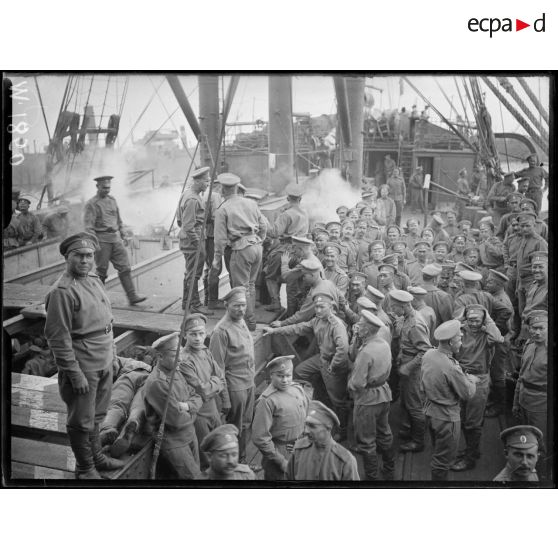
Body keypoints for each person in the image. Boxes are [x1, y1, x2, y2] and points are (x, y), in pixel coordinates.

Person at [44, 232, 123, 479]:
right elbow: (58, 338)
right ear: (67, 257)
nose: (85, 260)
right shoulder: (62, 292)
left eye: (89, 255)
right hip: (84, 364)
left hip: (103, 358)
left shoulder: (93, 279)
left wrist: (112, 351)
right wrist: (74, 374)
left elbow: (105, 318)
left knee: (97, 414)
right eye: (79, 255)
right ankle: (85, 467)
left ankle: (97, 457)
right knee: (81, 419)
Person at [263, 291, 350, 440]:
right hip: (321, 359)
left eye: (322, 307)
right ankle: (320, 398)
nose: (318, 310)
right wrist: (274, 331)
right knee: (299, 371)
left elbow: (343, 350)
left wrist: (333, 366)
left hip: (332, 363)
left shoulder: (336, 325)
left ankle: (342, 430)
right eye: (316, 307)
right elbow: (298, 328)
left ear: (331, 307)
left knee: (338, 400)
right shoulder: (317, 321)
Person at [421, 319, 478, 481]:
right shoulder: (451, 367)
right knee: (442, 462)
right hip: (447, 418)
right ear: (451, 342)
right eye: (459, 339)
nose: (461, 342)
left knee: (437, 450)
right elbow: (467, 393)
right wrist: (472, 380)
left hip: (431, 411)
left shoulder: (429, 354)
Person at [451, 305, 504, 472]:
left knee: (472, 421)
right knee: (464, 417)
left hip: (479, 380)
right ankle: (471, 450)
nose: (473, 324)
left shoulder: (486, 335)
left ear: (483, 321)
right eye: (470, 319)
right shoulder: (461, 331)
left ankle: (471, 458)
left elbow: (497, 337)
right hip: (461, 377)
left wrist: (488, 317)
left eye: (477, 320)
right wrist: (461, 318)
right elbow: (448, 330)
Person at [144, 332, 202, 479]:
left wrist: (187, 406)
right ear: (160, 357)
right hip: (174, 442)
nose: (180, 358)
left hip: (189, 433)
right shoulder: (157, 383)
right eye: (174, 355)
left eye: (180, 353)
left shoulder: (175, 370)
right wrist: (194, 411)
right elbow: (176, 420)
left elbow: (197, 396)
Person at [213, 172, 268, 330]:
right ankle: (250, 321)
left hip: (241, 249)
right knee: (250, 286)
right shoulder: (250, 203)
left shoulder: (222, 209)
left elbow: (220, 239)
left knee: (240, 290)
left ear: (222, 190)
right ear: (237, 188)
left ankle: (247, 324)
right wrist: (259, 240)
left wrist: (217, 260)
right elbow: (264, 225)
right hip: (256, 247)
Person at [208, 286, 256, 463]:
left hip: (248, 381)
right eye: (236, 306)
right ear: (227, 305)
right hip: (235, 386)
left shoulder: (241, 321)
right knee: (235, 427)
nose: (241, 309)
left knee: (246, 423)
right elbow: (217, 368)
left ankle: (241, 460)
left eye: (243, 305)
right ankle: (233, 464)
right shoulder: (221, 331)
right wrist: (225, 398)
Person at [83, 175, 146, 305]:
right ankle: (97, 299)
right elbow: (89, 227)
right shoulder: (92, 204)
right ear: (97, 187)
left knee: (125, 268)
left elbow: (118, 220)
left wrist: (122, 232)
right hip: (102, 240)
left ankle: (132, 296)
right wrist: (95, 244)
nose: (107, 190)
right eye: (104, 187)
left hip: (115, 239)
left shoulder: (112, 200)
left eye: (108, 187)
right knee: (101, 271)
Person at [179, 313, 230, 469]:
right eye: (193, 334)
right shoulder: (185, 360)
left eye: (201, 333)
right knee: (205, 452)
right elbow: (203, 391)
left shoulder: (205, 351)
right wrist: (216, 383)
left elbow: (220, 375)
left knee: (220, 443)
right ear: (184, 335)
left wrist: (223, 396)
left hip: (212, 409)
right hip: (199, 413)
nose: (197, 338)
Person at [348, 310, 394, 480]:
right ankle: (389, 469)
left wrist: (350, 384)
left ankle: (372, 479)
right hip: (384, 394)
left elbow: (358, 383)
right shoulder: (383, 344)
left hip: (367, 400)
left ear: (367, 330)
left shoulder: (366, 352)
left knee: (366, 441)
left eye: (360, 325)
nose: (357, 327)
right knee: (384, 432)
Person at [252, 355, 310, 480]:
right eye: (280, 376)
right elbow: (260, 438)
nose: (284, 380)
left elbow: (305, 415)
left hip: (299, 446)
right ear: (271, 376)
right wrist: (281, 461)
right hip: (279, 452)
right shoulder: (267, 401)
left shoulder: (297, 389)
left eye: (288, 375)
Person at [389, 289, 432, 452]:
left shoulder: (415, 324)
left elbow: (425, 351)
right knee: (407, 403)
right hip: (407, 364)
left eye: (395, 308)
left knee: (415, 406)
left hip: (413, 370)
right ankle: (412, 432)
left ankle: (418, 441)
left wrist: (407, 366)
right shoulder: (407, 318)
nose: (393, 311)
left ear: (405, 305)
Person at [512, 310, 548, 476]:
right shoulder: (529, 345)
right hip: (524, 399)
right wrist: (515, 402)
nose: (536, 332)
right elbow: (521, 376)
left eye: (541, 328)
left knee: (541, 444)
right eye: (533, 328)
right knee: (526, 439)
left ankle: (541, 476)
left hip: (541, 405)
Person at [264, 182, 309, 311]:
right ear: (300, 199)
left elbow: (274, 233)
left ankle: (276, 303)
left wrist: (265, 221)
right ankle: (293, 309)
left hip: (286, 250)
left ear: (288, 198)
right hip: (301, 250)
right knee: (293, 282)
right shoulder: (304, 212)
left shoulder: (286, 215)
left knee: (269, 274)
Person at [287, 401, 359, 481]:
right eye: (306, 425)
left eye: (312, 426)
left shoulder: (345, 460)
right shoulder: (298, 449)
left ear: (328, 428)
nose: (306, 431)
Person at [175, 166, 212, 313]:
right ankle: (196, 305)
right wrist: (198, 245)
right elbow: (189, 226)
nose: (208, 183)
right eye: (206, 181)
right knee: (194, 275)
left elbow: (180, 220)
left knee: (189, 273)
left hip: (188, 240)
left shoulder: (186, 194)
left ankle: (186, 303)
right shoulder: (192, 199)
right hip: (194, 241)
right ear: (197, 181)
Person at [99, 356, 153, 457]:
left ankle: (108, 428)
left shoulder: (117, 362)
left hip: (128, 376)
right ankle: (131, 425)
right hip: (148, 378)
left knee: (116, 404)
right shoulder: (118, 360)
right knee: (139, 405)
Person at [484, 269, 514, 418]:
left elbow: (504, 326)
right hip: (498, 340)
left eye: (490, 282)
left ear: (498, 284)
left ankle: (499, 407)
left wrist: (490, 332)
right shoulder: (495, 296)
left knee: (498, 374)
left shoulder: (501, 300)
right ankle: (495, 400)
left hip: (500, 341)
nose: (486, 283)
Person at [515, 212, 547, 318]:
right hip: (521, 282)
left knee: (532, 313)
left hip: (533, 282)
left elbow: (544, 266)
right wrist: (517, 286)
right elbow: (520, 265)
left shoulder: (540, 242)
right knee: (521, 312)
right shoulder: (523, 239)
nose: (524, 229)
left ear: (534, 225)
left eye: (527, 226)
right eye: (522, 226)